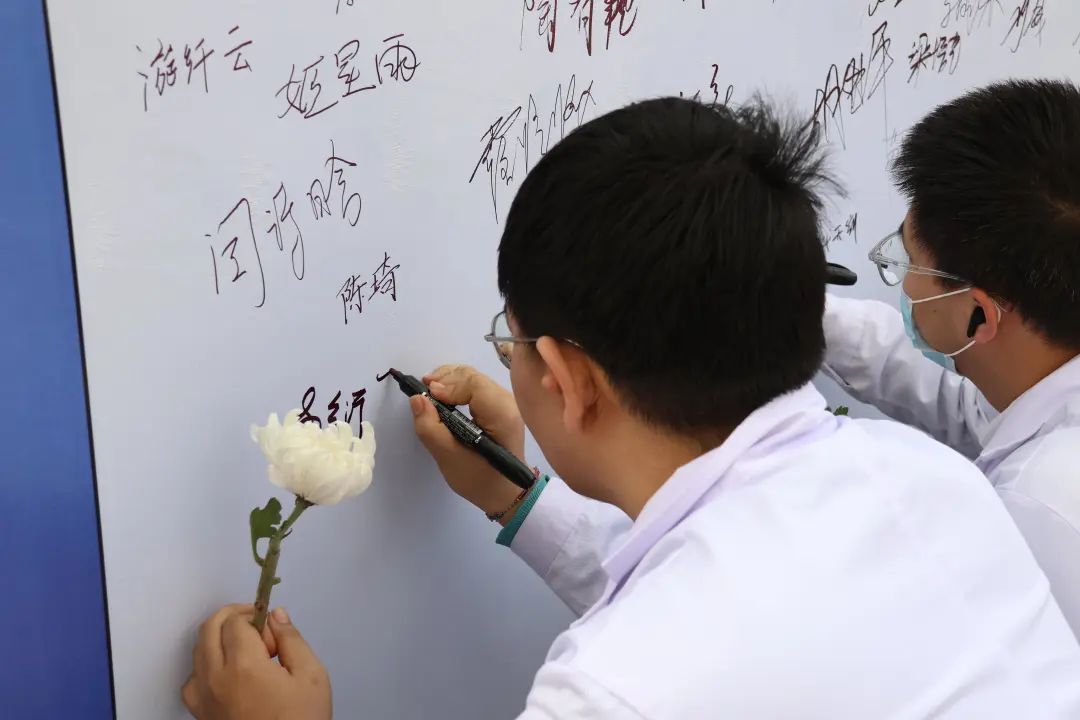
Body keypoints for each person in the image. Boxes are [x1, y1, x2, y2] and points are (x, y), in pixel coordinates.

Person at [183, 96, 1080, 719]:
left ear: (566, 378)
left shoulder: (609, 692)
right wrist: (516, 496)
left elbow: (698, 629)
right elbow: (729, 592)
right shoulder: (934, 484)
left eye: (512, 338)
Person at [822, 79, 1080, 637]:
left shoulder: (1042, 512)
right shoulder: (1048, 368)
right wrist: (803, 312)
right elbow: (975, 412)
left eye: (907, 261)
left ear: (980, 316)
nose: (902, 281)